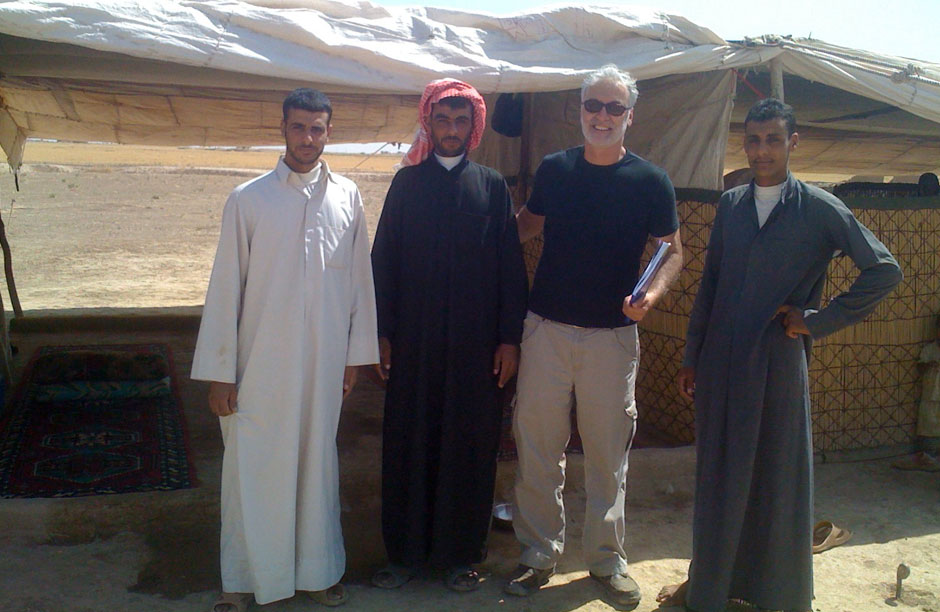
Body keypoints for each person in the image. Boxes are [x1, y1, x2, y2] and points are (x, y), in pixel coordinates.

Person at [658, 98, 902, 612]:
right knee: (719, 478)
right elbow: (712, 286)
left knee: (775, 477)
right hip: (722, 365)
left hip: (776, 366)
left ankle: (777, 594)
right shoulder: (730, 206)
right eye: (753, 139)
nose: (762, 150)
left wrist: (815, 320)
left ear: (793, 143)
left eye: (773, 139)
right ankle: (711, 588)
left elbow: (884, 270)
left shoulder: (820, 208)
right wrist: (692, 355)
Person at [191, 88, 378, 611]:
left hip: (321, 367)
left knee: (315, 465)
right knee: (254, 468)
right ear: (283, 129)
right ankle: (243, 579)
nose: (308, 139)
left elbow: (358, 283)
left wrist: (353, 355)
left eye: (317, 128)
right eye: (299, 128)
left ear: (329, 132)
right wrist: (220, 373)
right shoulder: (248, 200)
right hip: (260, 365)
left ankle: (317, 572)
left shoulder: (347, 197)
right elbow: (226, 288)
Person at [505, 64, 683, 609]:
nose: (601, 117)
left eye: (613, 108)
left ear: (630, 116)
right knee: (538, 446)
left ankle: (606, 560)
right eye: (593, 106)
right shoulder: (556, 170)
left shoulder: (650, 180)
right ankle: (539, 552)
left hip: (611, 338)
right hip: (546, 330)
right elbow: (528, 223)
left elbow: (672, 250)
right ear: (579, 111)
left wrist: (649, 298)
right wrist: (475, 225)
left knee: (608, 453)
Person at [370, 79, 528, 592]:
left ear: (474, 127)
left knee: (469, 446)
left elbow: (510, 269)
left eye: (462, 121)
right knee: (408, 444)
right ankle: (405, 554)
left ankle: (463, 555)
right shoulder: (405, 185)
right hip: (413, 345)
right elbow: (384, 264)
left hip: (474, 350)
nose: (452, 130)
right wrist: (382, 332)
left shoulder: (491, 187)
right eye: (443, 120)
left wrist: (508, 340)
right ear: (429, 123)